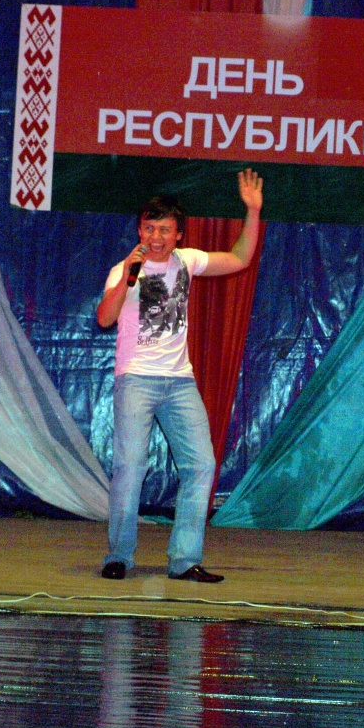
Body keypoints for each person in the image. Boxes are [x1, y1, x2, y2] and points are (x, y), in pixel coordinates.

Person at [97, 168, 264, 582]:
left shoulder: (187, 262)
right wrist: (128, 277)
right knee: (130, 468)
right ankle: (119, 556)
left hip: (179, 382)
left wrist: (252, 212)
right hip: (136, 379)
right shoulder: (124, 271)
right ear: (139, 230)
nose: (155, 237)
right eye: (149, 228)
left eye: (164, 230)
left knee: (201, 465)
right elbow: (104, 318)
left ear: (178, 235)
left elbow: (240, 258)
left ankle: (185, 559)